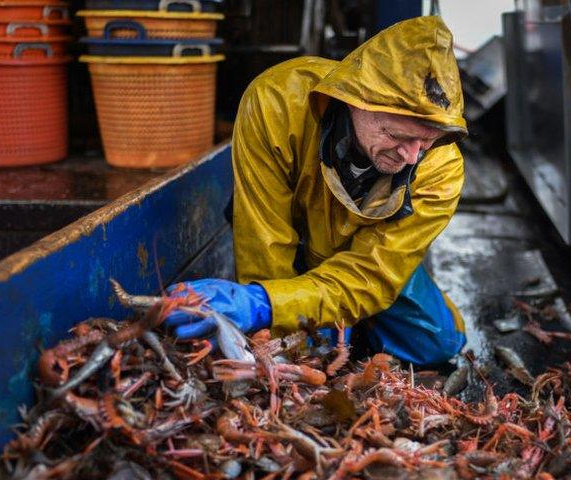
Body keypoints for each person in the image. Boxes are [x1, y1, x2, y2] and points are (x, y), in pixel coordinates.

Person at [165, 16, 468, 367]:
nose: (411, 156)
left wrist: (282, 304)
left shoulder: (442, 169)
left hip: (371, 256)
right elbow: (263, 241)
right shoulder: (277, 101)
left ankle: (363, 320)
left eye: (426, 142)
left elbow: (372, 275)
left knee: (438, 344)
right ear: (356, 101)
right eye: (397, 136)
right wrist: (267, 304)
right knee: (297, 346)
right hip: (294, 239)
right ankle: (336, 317)